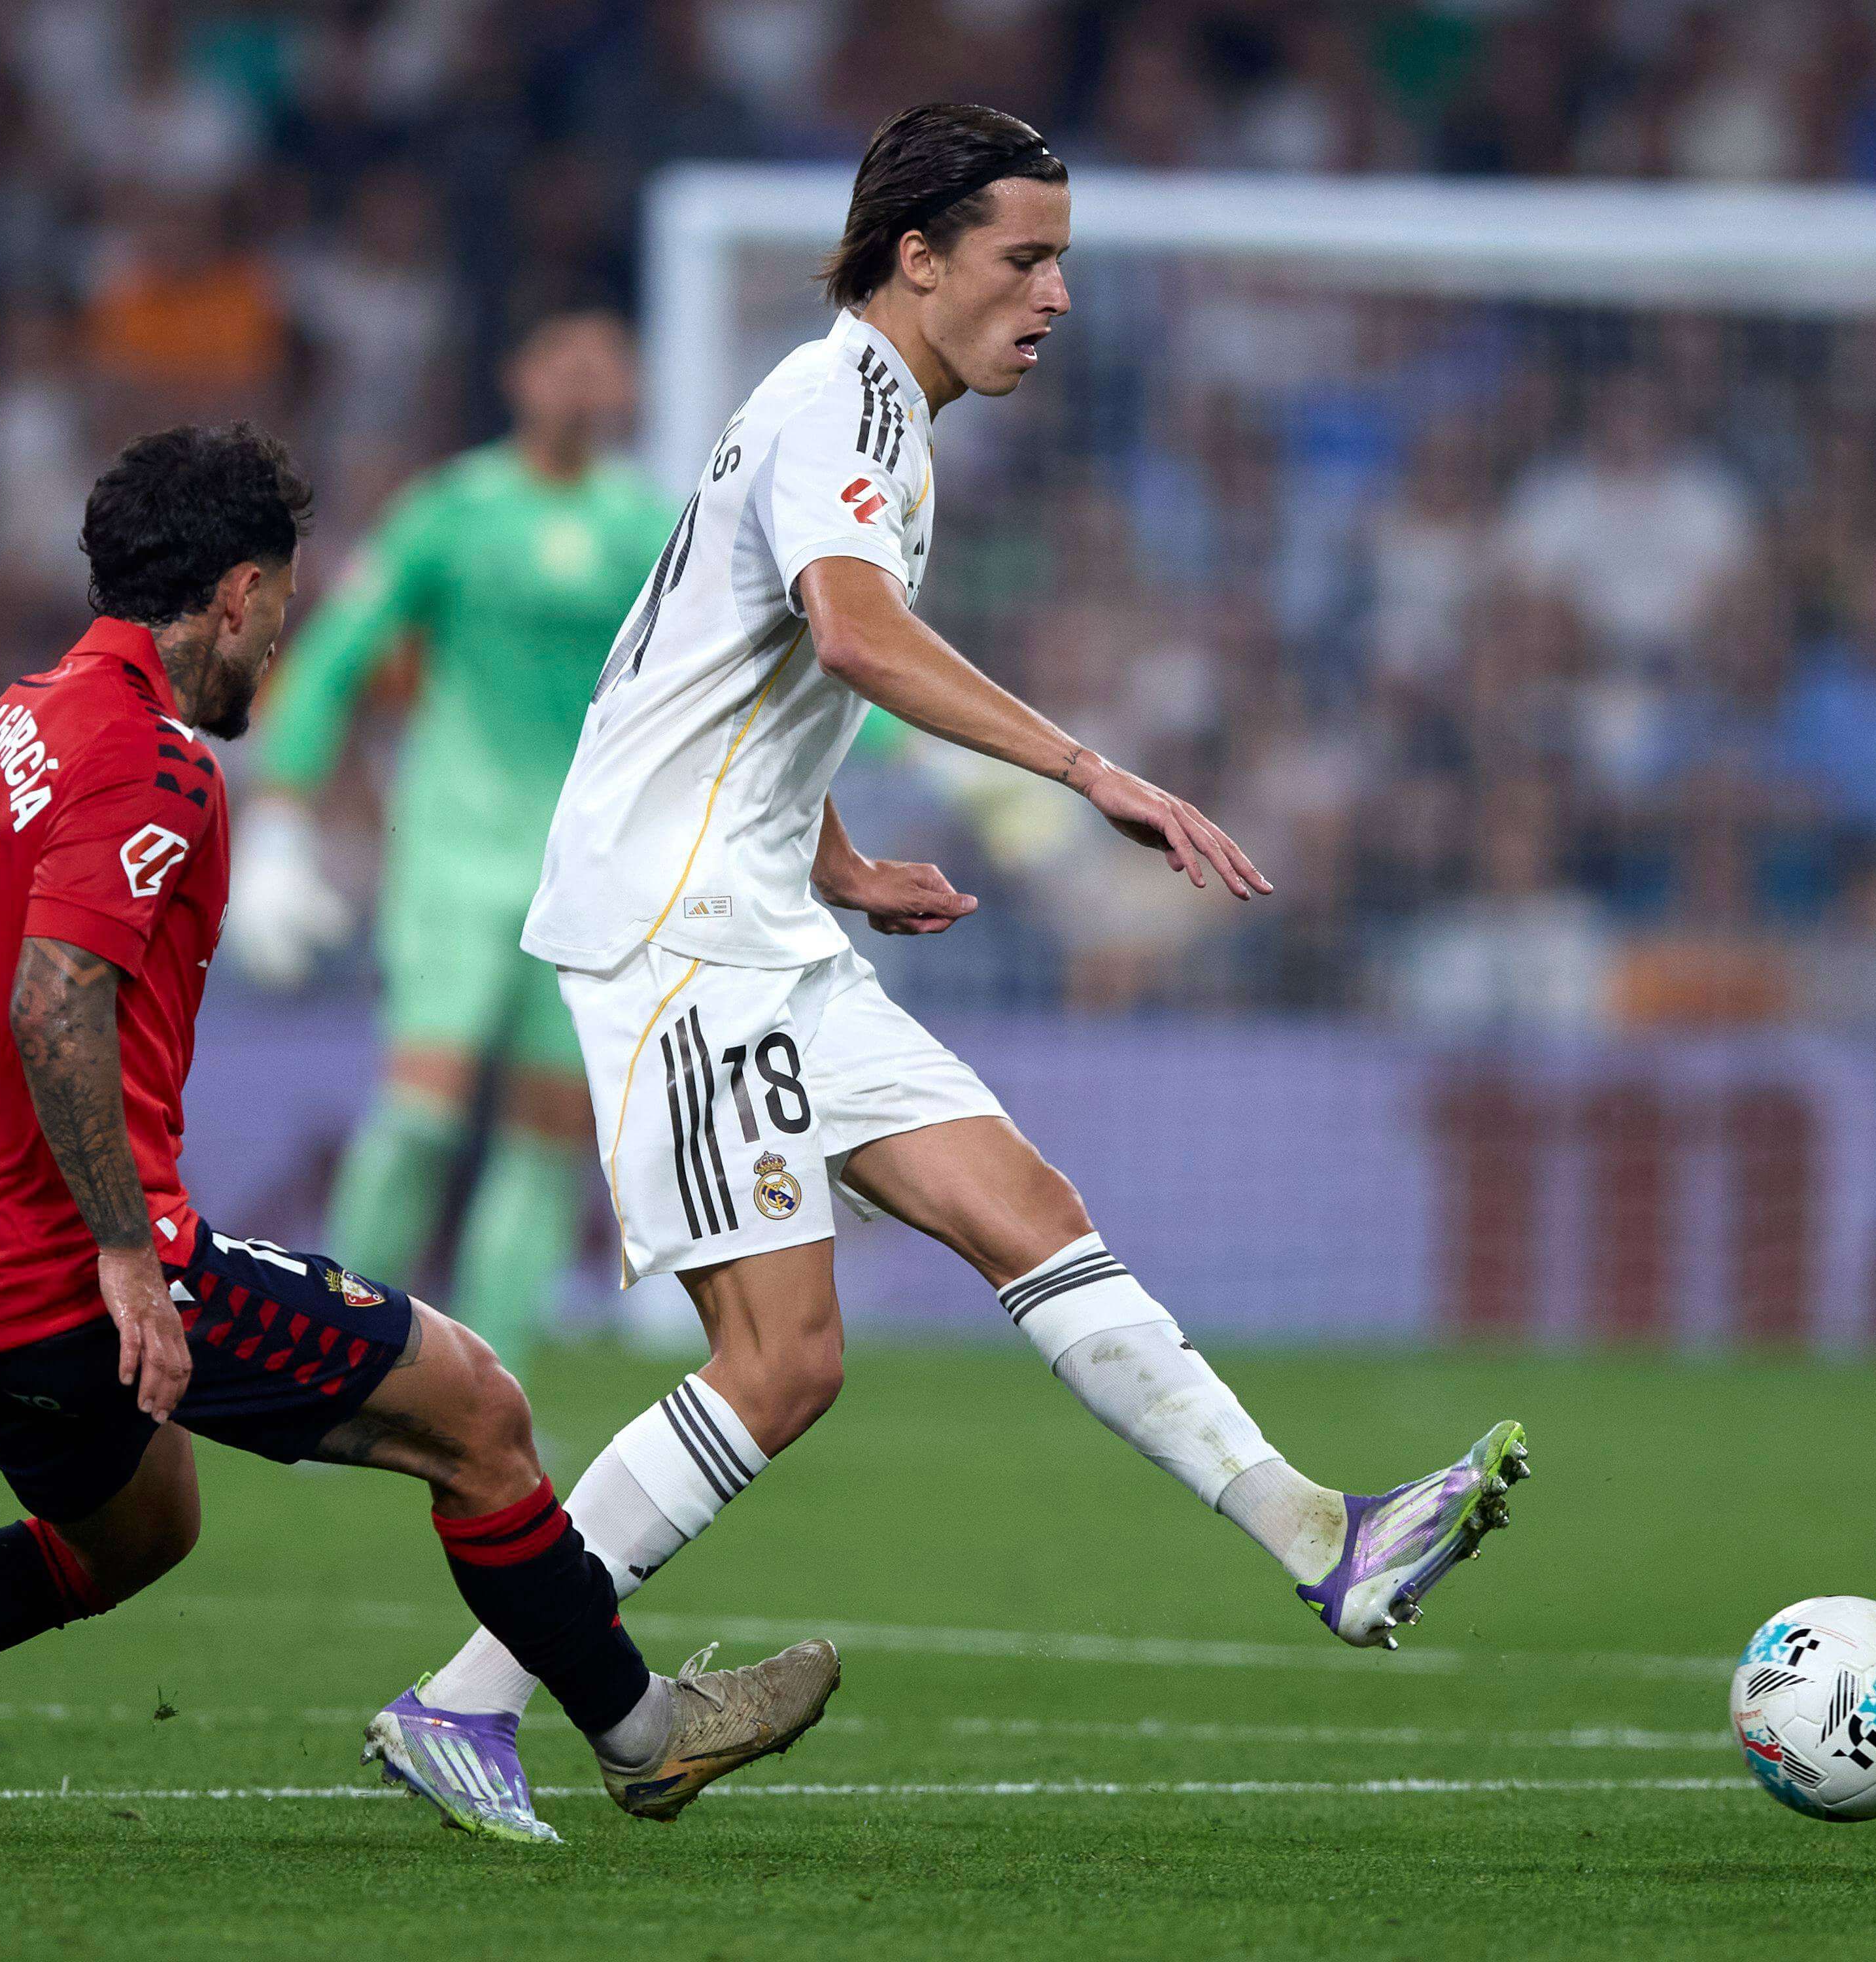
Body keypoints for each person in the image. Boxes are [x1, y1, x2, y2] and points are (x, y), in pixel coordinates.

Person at [368, 105, 1532, 1844]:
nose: (1055, 296)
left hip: (758, 908)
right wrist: (1089, 772)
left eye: (1060, 258)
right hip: (679, 939)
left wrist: (833, 860)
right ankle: (462, 1703)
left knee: (1025, 1208)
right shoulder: (841, 406)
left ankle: (1319, 1536)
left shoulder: (872, 415)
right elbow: (841, 629)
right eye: (1024, 258)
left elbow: (719, 667)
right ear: (916, 257)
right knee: (781, 1363)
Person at [0, 424, 837, 1853]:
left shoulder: (2, 729)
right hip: (64, 1263)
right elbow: (53, 1003)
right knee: (478, 1415)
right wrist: (124, 1255)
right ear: (235, 592)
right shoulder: (149, 762)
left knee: (141, 1533)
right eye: (283, 601)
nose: (284, 640)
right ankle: (641, 1734)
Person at [226, 311, 674, 1386]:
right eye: (561, 359)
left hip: (587, 864)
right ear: (519, 375)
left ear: (628, 386)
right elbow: (332, 661)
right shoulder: (451, 511)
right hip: (454, 856)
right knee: (422, 1116)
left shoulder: (650, 526)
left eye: (602, 365)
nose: (581, 382)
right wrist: (277, 825)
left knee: (547, 1137)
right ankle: (322, 1368)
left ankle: (484, 1388)